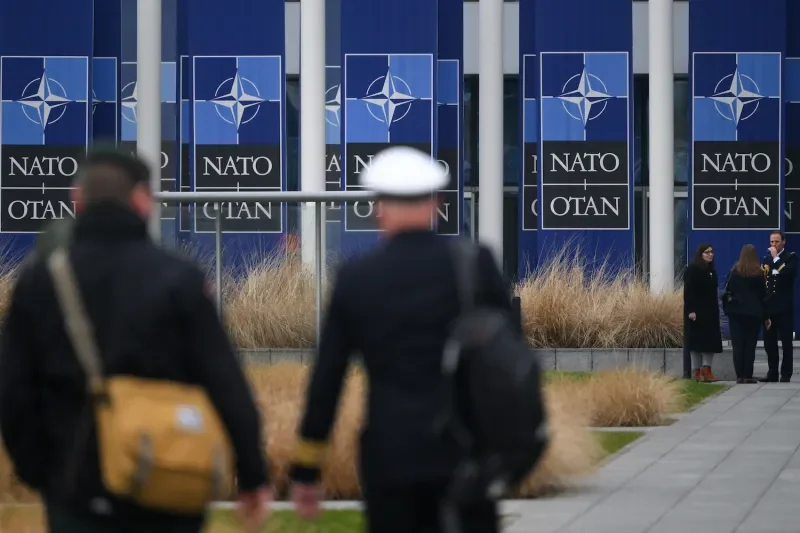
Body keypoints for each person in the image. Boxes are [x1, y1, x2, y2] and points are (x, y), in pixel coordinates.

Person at [0, 148, 272, 533]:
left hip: (75, 482)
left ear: (75, 200)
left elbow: (14, 392)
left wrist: (43, 472)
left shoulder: (40, 284)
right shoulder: (180, 279)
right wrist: (253, 473)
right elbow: (225, 381)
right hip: (166, 477)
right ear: (144, 200)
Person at [287, 146, 511, 533]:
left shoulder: (357, 278)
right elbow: (510, 357)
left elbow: (327, 379)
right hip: (466, 454)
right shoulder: (476, 264)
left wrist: (306, 467)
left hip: (391, 458)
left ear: (379, 207)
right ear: (436, 203)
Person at [723, 245, 770, 384]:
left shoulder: (734, 272)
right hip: (753, 314)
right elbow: (763, 296)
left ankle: (739, 375)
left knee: (737, 345)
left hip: (736, 312)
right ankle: (748, 375)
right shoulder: (758, 274)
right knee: (750, 345)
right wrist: (766, 316)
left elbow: (728, 290)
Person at [760, 231, 798, 382]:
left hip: (784, 306)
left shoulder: (790, 257)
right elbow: (765, 280)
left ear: (783, 242)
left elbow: (787, 274)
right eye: (771, 242)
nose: (773, 245)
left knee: (786, 342)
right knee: (769, 343)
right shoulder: (765, 259)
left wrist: (776, 259)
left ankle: (786, 373)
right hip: (769, 306)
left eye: (776, 242)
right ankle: (772, 372)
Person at [683, 243, 723, 382]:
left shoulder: (712, 270)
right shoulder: (693, 270)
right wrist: (691, 310)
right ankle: (697, 371)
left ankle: (707, 370)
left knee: (709, 342)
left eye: (711, 252)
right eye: (707, 252)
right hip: (696, 312)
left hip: (710, 312)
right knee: (696, 342)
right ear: (700, 254)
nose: (710, 254)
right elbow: (688, 292)